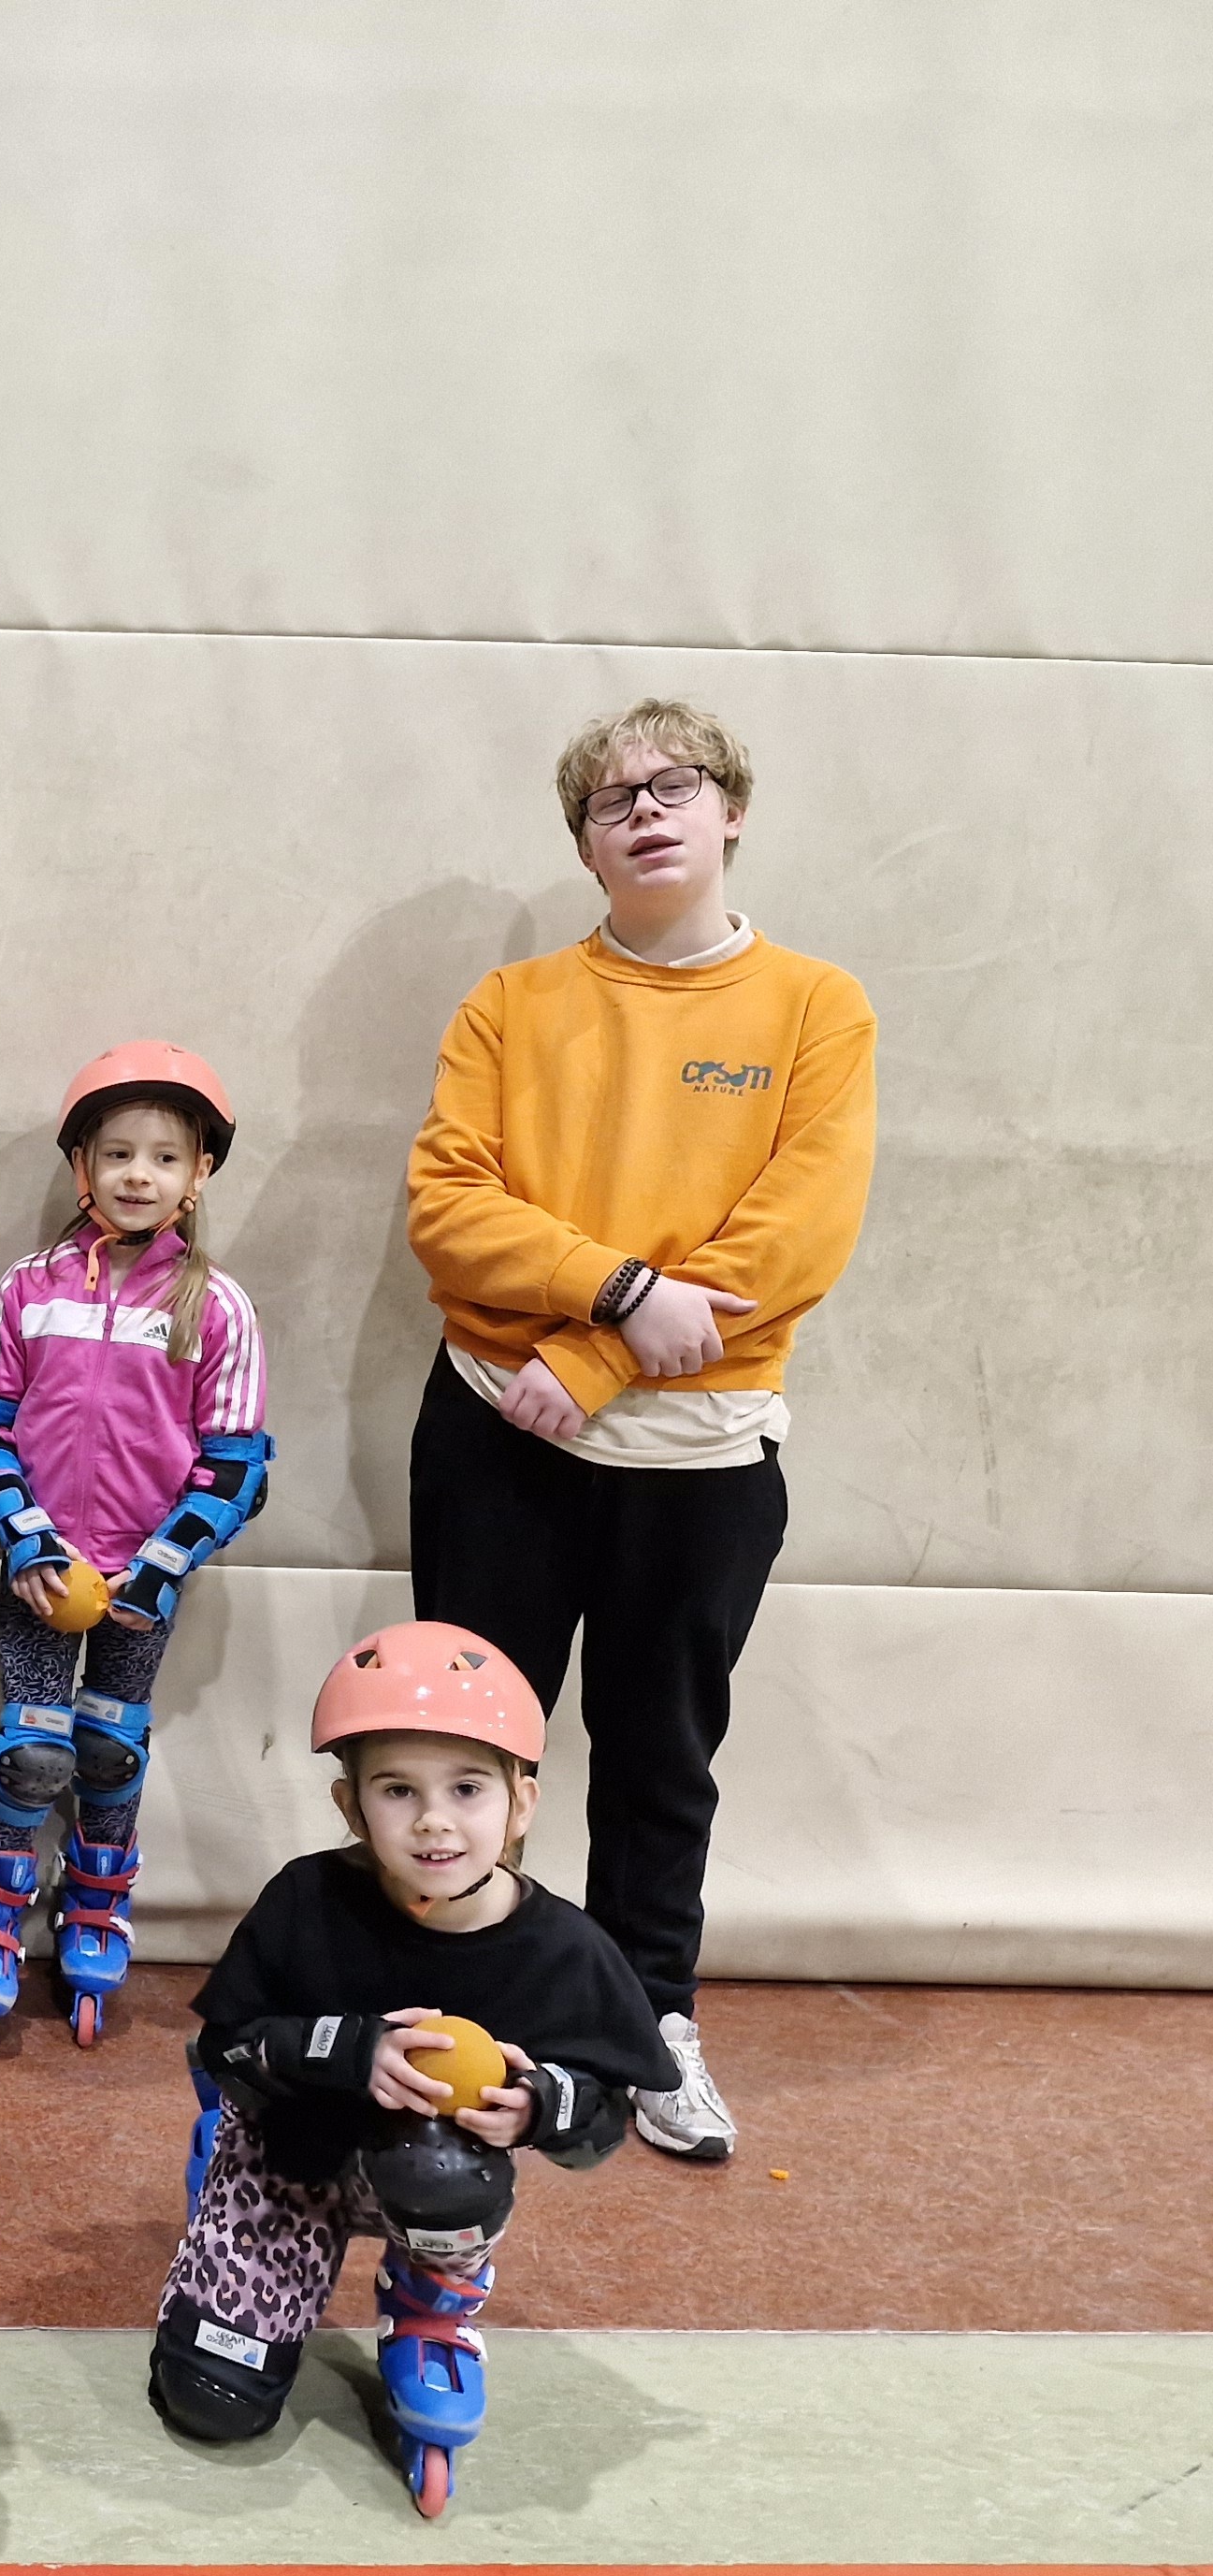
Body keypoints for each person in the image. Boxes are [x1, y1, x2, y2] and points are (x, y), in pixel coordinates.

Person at [405, 700, 876, 2163]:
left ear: (732, 811)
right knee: (463, 1738)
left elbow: (795, 1237)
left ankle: (644, 2020)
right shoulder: (511, 1005)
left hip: (698, 1453)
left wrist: (598, 1358)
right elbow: (451, 1210)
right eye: (614, 801)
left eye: (677, 786)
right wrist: (617, 1293)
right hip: (499, 1428)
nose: (649, 812)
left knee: (661, 1752)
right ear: (586, 847)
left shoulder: (818, 1008)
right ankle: (457, 2004)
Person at [151, 1623, 674, 2519]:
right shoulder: (307, 1899)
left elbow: (604, 2119)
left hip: (435, 2180)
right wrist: (351, 2051)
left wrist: (539, 2106)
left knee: (443, 2165)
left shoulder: (567, 1952)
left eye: (467, 1788)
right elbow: (227, 2048)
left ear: (521, 1803)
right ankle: (226, 2175)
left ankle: (430, 2304)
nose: (434, 1819)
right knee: (216, 2402)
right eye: (398, 1790)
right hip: (289, 2155)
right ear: (352, 1808)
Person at [0, 1043, 270, 2048]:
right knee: (33, 1750)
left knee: (108, 1743)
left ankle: (96, 1899)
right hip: (41, 1571)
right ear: (80, 1165)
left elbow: (237, 1464)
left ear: (199, 1172)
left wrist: (160, 1564)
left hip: (143, 1577)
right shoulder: (30, 1287)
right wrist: (28, 1538)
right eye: (118, 1153)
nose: (140, 1175)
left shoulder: (214, 1305)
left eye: (165, 1158)